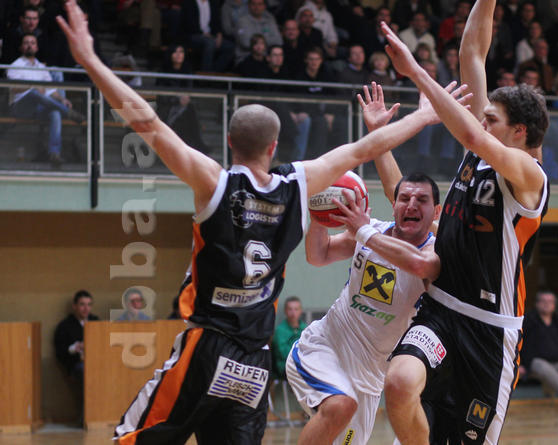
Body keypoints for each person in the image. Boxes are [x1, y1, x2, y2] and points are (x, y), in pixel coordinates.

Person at [57, 2, 446, 442]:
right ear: (274, 145)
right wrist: (426, 115)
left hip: (208, 345)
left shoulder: (215, 183)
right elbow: (363, 149)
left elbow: (148, 122)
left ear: (229, 141)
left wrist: (90, 61)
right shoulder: (297, 185)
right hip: (254, 364)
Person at [378, 0, 550, 442]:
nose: (482, 121)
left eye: (492, 119)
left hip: (489, 332)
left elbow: (471, 132)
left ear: (519, 132)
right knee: (398, 384)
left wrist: (416, 72)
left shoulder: (530, 176)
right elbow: (472, 50)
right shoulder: (482, 146)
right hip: (441, 310)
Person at [287, 82, 458, 445]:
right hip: (324, 348)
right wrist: (320, 217)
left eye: (422, 201)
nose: (411, 205)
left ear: (436, 213)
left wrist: (363, 232)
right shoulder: (371, 230)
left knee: (347, 415)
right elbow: (318, 256)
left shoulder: (433, 252)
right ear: (393, 205)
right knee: (340, 405)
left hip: (369, 380)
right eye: (404, 198)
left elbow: (418, 265)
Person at [6, 33, 83, 167]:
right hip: (20, 107)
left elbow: (51, 90)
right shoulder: (15, 65)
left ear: (36, 48)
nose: (29, 45)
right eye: (26, 43)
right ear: (21, 47)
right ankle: (67, 113)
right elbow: (13, 88)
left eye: (32, 43)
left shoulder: (41, 67)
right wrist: (32, 86)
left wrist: (62, 99)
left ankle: (54, 153)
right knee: (34, 93)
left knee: (55, 113)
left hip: (38, 108)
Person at [54, 290, 99, 381]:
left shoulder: (96, 322)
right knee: (87, 370)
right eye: (82, 304)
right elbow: (60, 351)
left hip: (97, 360)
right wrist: (75, 347)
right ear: (75, 306)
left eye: (89, 305)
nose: (86, 308)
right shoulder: (65, 325)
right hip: (77, 363)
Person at [272, 296, 307, 379]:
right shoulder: (280, 330)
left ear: (300, 311)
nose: (293, 313)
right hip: (286, 366)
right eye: (290, 309)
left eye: (296, 309)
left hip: (304, 363)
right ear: (285, 311)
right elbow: (283, 353)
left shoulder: (306, 329)